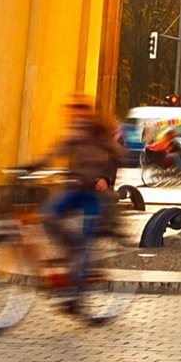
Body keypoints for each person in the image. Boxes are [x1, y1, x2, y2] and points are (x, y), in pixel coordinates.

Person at [42, 94, 122, 289]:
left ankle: (79, 283)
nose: (74, 114)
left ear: (86, 112)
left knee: (87, 234)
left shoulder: (98, 133)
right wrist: (30, 167)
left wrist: (104, 178)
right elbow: (52, 154)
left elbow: (116, 155)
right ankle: (72, 247)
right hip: (75, 189)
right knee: (47, 216)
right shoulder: (73, 135)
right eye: (72, 110)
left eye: (78, 110)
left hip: (93, 193)